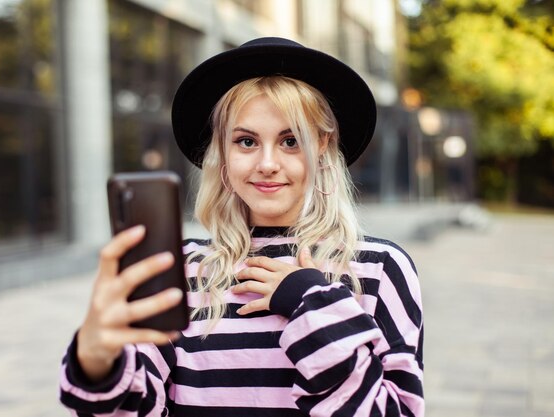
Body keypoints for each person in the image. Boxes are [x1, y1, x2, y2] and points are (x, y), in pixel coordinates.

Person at [59, 37, 424, 417]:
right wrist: (97, 359)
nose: (267, 163)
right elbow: (133, 408)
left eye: (290, 141)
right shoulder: (182, 270)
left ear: (322, 146)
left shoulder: (379, 269)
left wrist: (309, 300)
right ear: (223, 154)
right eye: (246, 141)